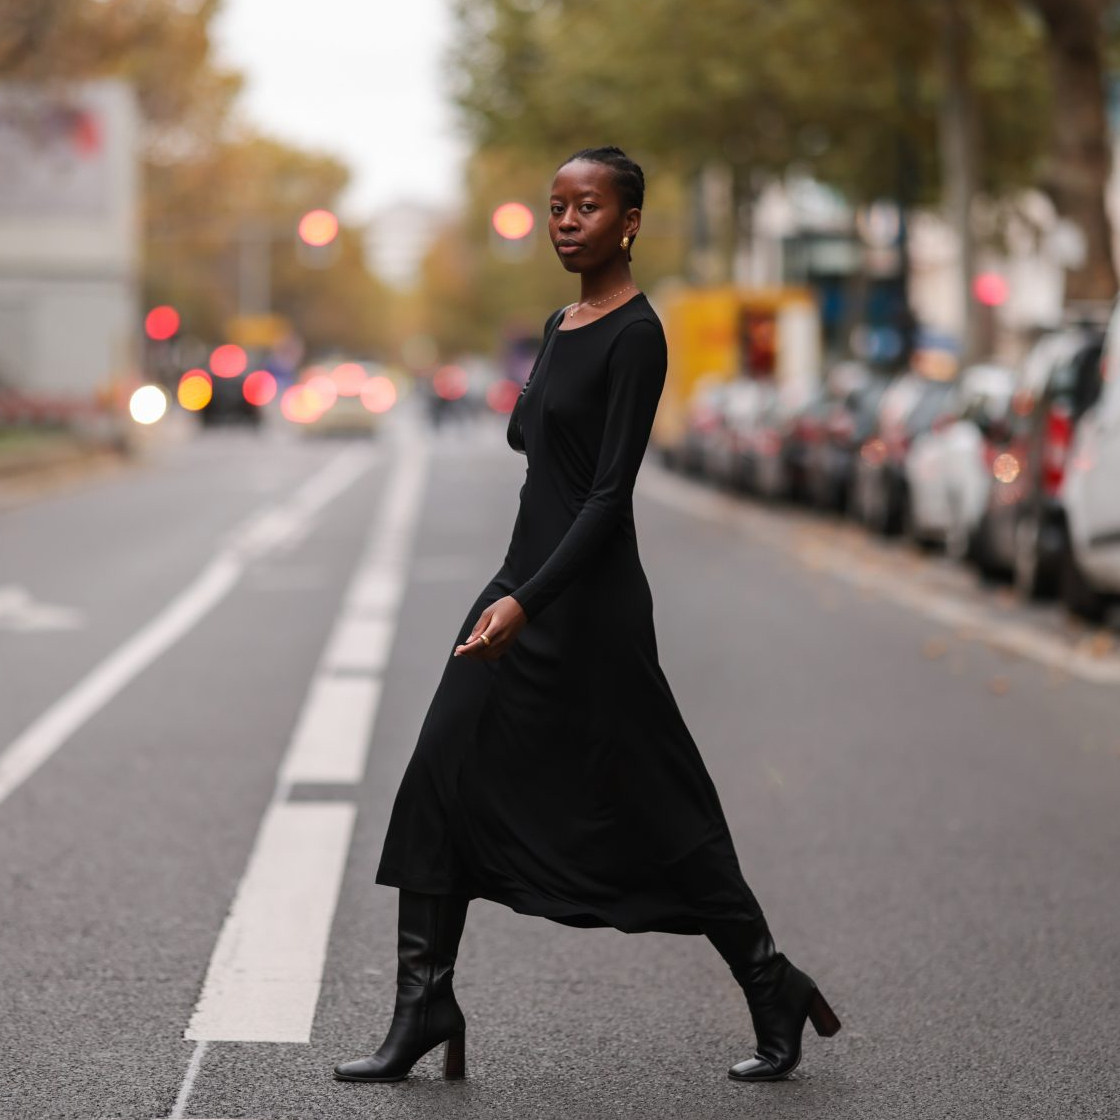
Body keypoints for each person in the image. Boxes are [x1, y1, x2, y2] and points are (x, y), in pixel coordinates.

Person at [333, 146, 841, 1086]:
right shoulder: (560, 322)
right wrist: (517, 591)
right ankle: (423, 1002)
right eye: (557, 207)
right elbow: (530, 436)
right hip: (521, 582)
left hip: (586, 604)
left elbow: (607, 498)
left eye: (588, 208)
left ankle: (770, 980)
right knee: (440, 770)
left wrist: (528, 602)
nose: (567, 221)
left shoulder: (638, 336)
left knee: (661, 806)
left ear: (630, 223)